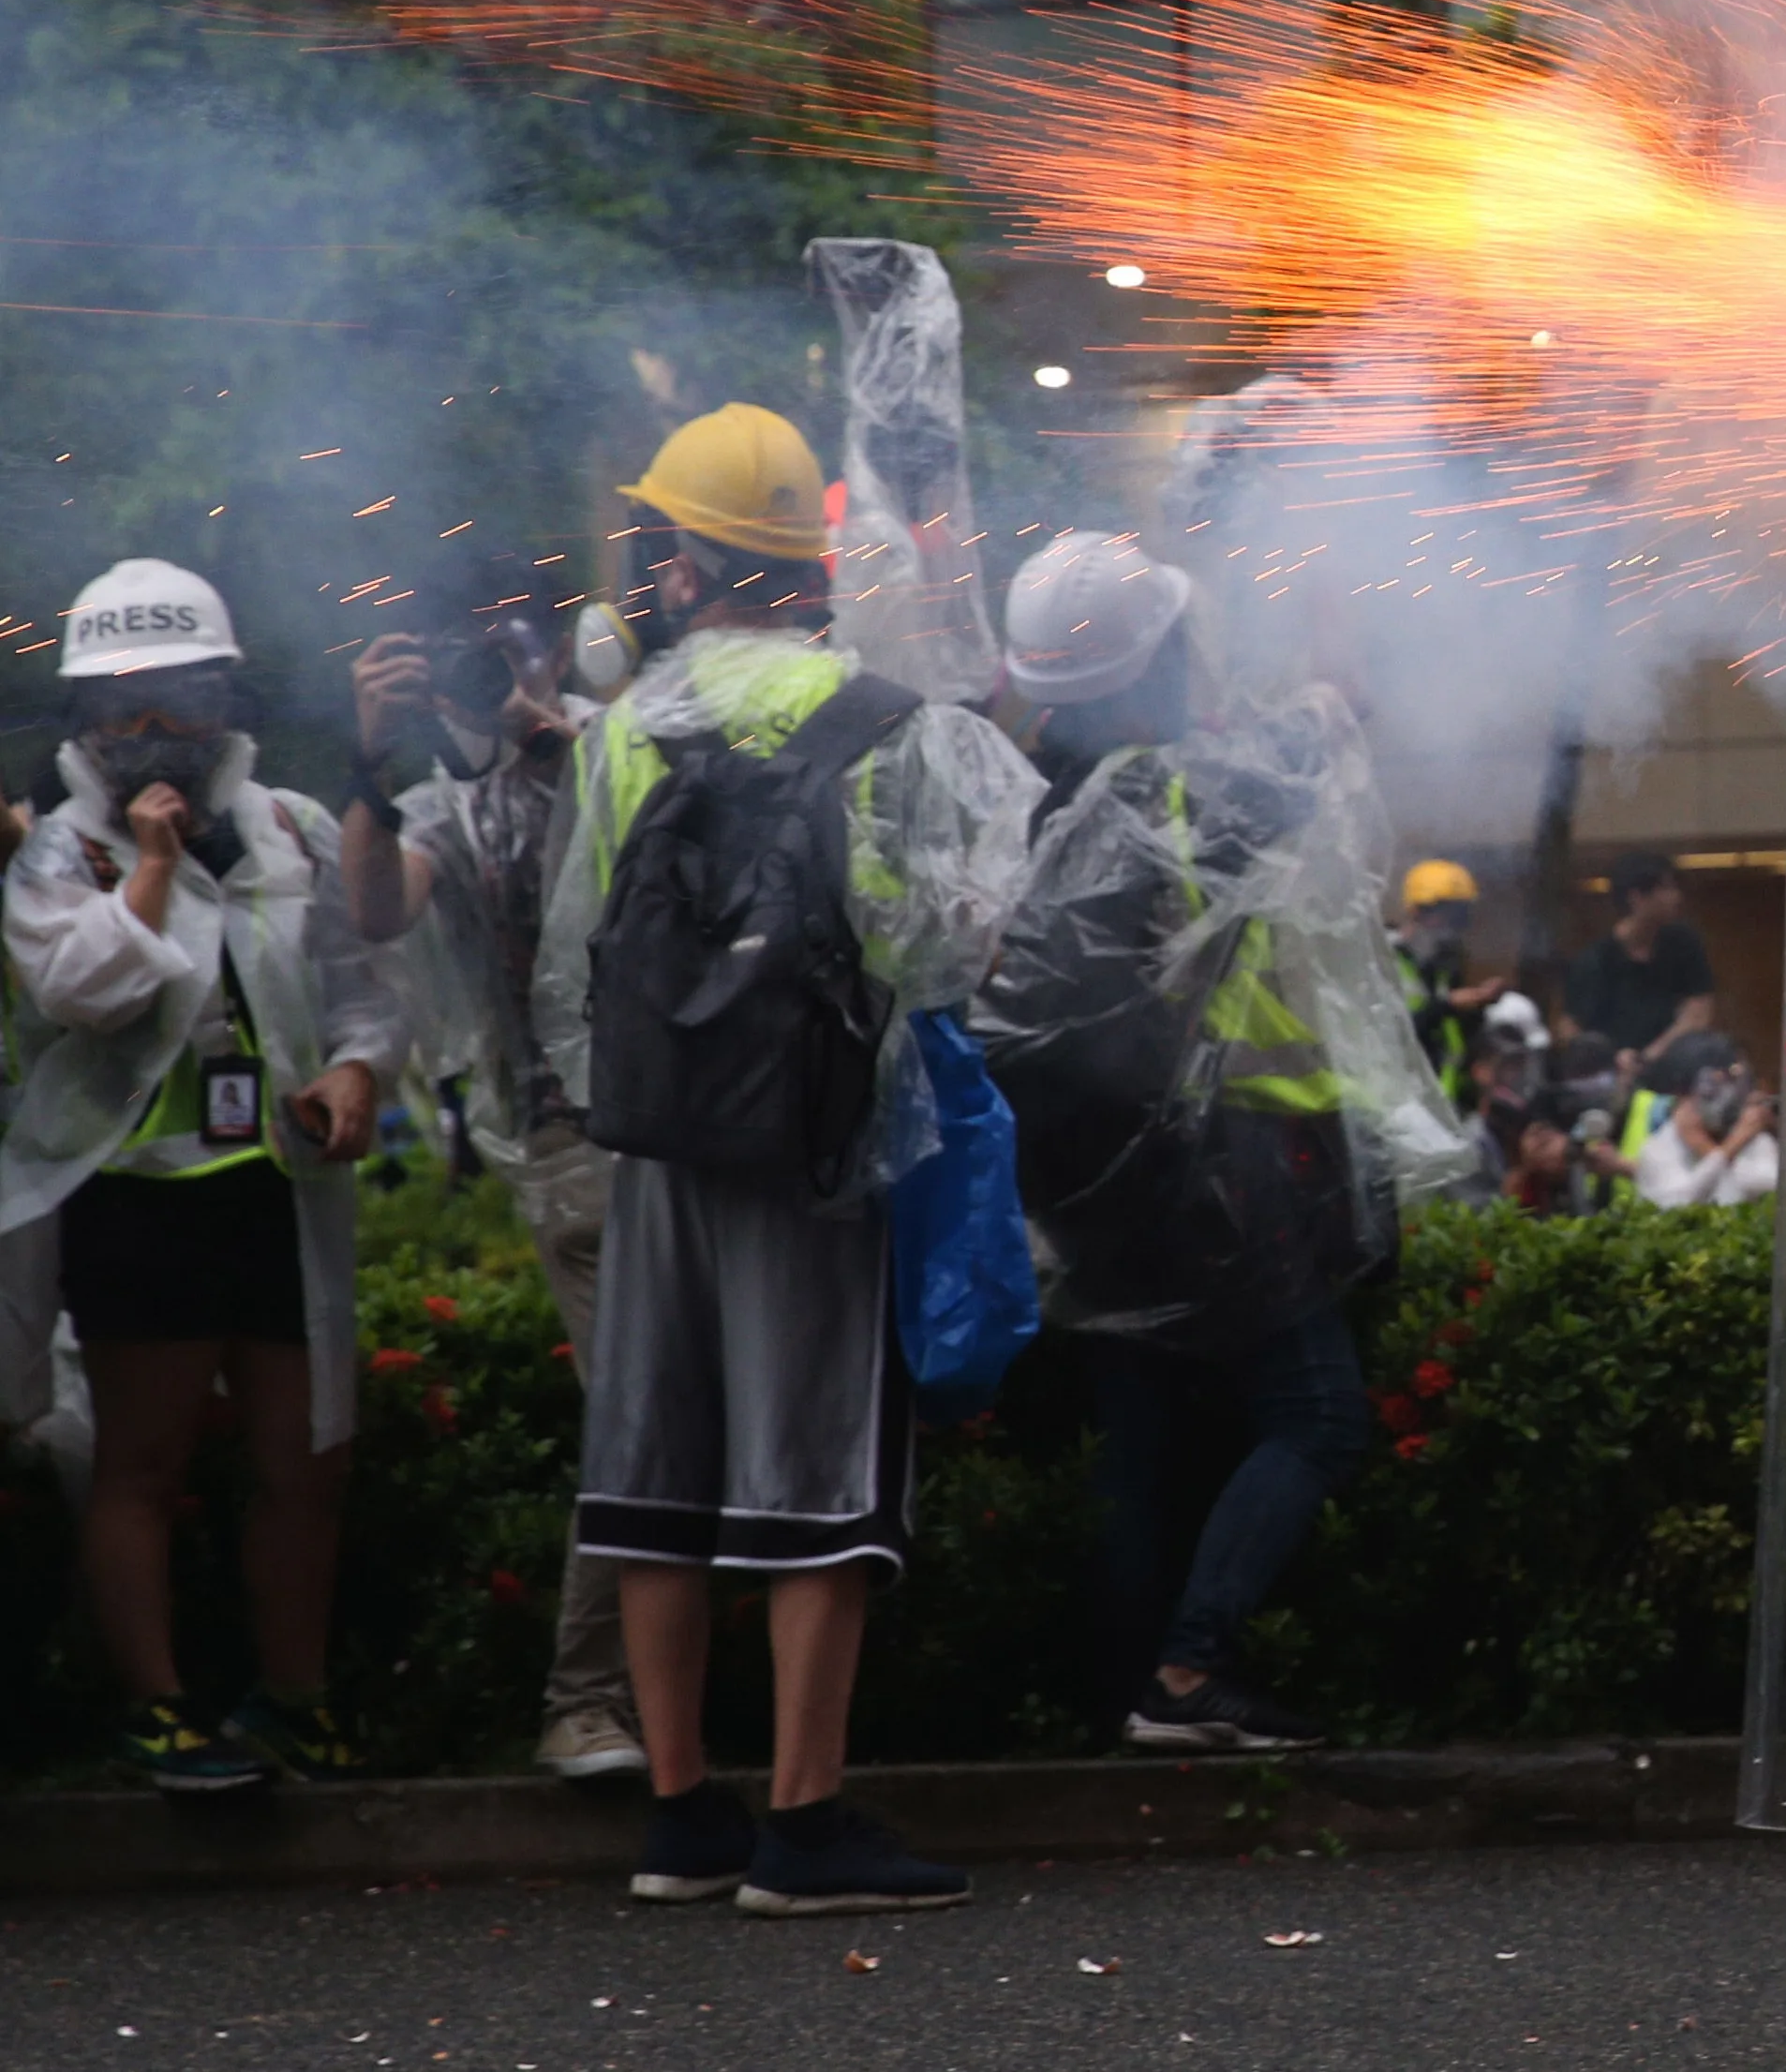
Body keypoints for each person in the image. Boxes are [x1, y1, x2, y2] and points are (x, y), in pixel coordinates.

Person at [541, 403, 1036, 1915]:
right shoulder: (890, 720)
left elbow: (572, 962)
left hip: (660, 1151)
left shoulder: (625, 727)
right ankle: (805, 1825)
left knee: (657, 1468)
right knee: (817, 1479)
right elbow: (946, 950)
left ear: (683, 562)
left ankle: (684, 1816)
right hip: (824, 1148)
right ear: (809, 566)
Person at [975, 531, 1455, 1758]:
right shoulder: (1168, 793)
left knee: (1142, 1437)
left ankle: (1117, 1691)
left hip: (1100, 1191)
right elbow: (1321, 748)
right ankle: (1188, 1673)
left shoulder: (1028, 794)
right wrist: (1334, 654)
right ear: (1150, 663)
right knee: (1321, 1416)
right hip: (1231, 1173)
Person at [1, 558, 400, 1792]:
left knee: (306, 1457)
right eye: (122, 707)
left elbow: (357, 979)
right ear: (82, 718)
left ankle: (294, 1697)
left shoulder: (281, 823)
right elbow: (82, 989)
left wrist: (354, 1071)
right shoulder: (53, 849)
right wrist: (157, 865)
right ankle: (162, 1706)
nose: (150, 732)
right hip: (134, 1196)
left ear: (225, 693)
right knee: (144, 1459)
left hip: (273, 1187)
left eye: (177, 697)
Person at [340, 581, 647, 1781]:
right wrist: (367, 762)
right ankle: (585, 1699)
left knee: (709, 1417)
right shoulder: (440, 810)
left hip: (696, 1137)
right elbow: (372, 909)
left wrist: (581, 761)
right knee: (640, 1419)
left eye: (518, 662)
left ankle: (646, 1698)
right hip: (577, 1153)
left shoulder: (621, 755)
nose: (505, 691)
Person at [1563, 851, 1719, 1078]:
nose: (1676, 897)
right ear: (1636, 897)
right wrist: (1612, 1059)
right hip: (1614, 1078)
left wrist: (1649, 1056)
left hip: (1673, 1073)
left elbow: (1698, 1012)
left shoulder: (1683, 945)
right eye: (1666, 889)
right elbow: (1571, 1028)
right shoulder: (1595, 960)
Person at [1390, 857, 1502, 1101]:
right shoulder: (1385, 960)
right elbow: (1388, 1034)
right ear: (1417, 911)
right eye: (1446, 916)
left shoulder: (1445, 964)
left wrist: (1477, 1004)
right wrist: (1447, 1005)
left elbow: (1456, 1036)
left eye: (1460, 917)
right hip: (1400, 1100)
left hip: (1445, 1100)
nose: (1452, 927)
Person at [1630, 1059, 1778, 1209]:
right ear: (1683, 1098)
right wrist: (1725, 1152)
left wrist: (1711, 1151)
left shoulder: (1746, 1135)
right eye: (1710, 1092)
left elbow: (1773, 1186)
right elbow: (1678, 1206)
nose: (1722, 1101)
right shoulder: (1656, 1150)